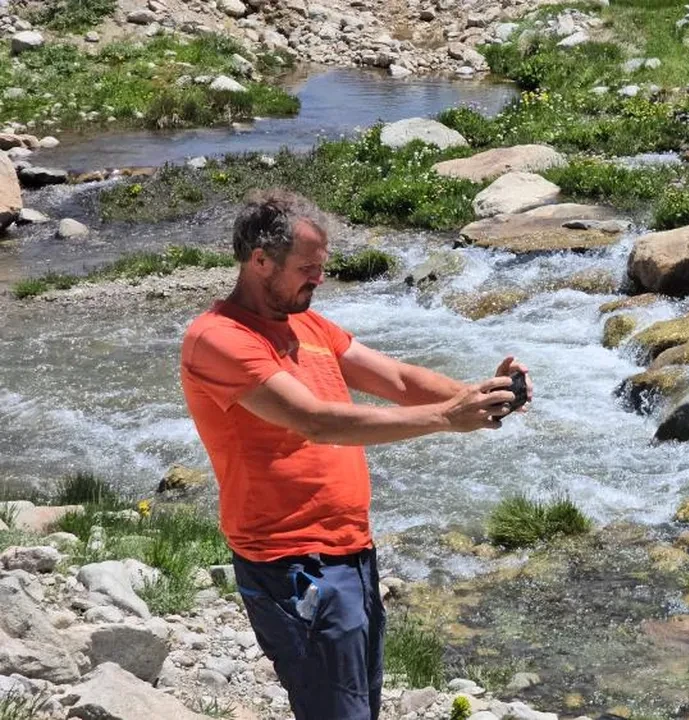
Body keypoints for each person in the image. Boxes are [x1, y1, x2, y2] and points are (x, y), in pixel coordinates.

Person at [179, 189, 529, 720]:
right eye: (307, 267)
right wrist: (445, 419)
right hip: (292, 561)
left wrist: (478, 395)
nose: (318, 278)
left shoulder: (309, 325)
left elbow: (396, 379)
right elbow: (315, 421)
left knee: (357, 705)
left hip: (351, 550)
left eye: (321, 266)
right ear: (259, 261)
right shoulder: (219, 339)